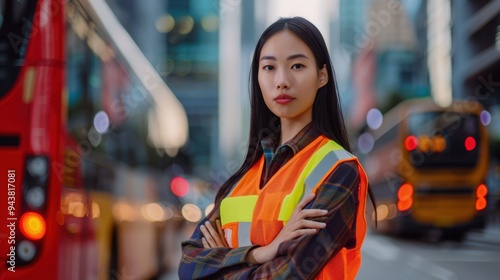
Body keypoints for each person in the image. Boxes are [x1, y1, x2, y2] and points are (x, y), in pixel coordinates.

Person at [179, 16, 373, 280]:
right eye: (269, 68)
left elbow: (288, 274)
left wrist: (223, 262)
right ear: (257, 77)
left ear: (322, 75)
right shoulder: (242, 179)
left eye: (297, 65)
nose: (281, 80)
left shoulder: (337, 170)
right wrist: (260, 253)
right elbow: (188, 265)